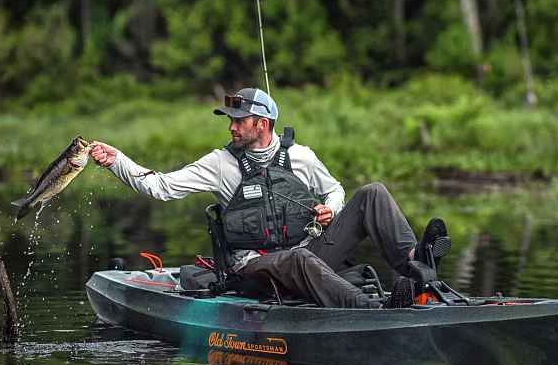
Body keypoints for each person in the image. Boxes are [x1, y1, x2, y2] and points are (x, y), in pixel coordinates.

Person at [90, 87, 450, 309]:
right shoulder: (220, 164)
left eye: (238, 120)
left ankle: (418, 265)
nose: (231, 126)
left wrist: (331, 208)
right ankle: (377, 311)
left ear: (262, 125)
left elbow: (335, 189)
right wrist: (117, 160)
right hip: (253, 270)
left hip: (307, 256)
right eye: (229, 120)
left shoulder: (302, 156)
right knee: (297, 259)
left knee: (373, 193)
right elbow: (162, 187)